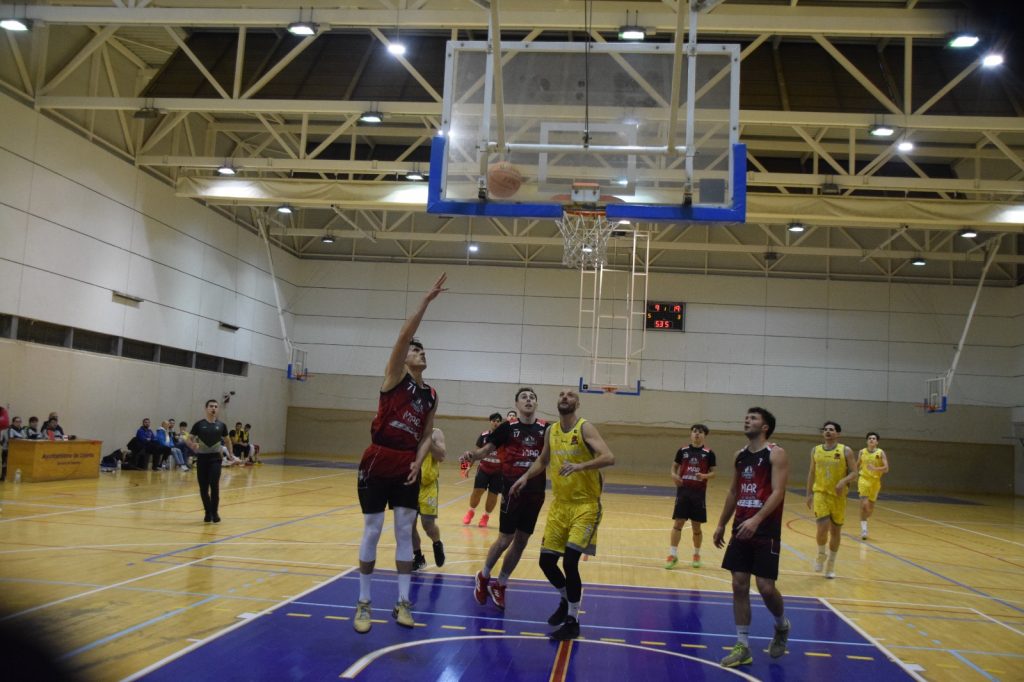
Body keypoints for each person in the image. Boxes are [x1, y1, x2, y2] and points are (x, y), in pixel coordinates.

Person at [353, 272, 447, 635]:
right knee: (373, 530)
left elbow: (426, 434)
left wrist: (419, 461)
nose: (420, 351)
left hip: (407, 463)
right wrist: (426, 301)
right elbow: (405, 335)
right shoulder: (395, 376)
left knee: (405, 531)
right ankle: (364, 602)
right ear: (404, 357)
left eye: (422, 350)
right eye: (415, 349)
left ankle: (403, 602)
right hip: (379, 458)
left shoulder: (431, 395)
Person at [510, 388, 615, 641]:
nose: (565, 398)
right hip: (560, 506)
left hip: (585, 506)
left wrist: (580, 466)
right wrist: (525, 477)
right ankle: (566, 599)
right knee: (546, 562)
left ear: (577, 403)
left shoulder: (584, 428)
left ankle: (572, 620)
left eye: (570, 395)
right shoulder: (551, 431)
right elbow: (543, 460)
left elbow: (609, 457)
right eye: (561, 395)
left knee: (569, 562)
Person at [713, 407, 790, 668]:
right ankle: (742, 646)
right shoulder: (740, 456)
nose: (747, 420)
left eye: (754, 418)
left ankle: (781, 625)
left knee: (766, 588)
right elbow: (734, 492)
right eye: (746, 417)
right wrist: (722, 523)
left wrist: (756, 520)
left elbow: (778, 492)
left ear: (765, 427)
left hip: (766, 528)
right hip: (740, 527)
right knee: (739, 584)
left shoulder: (776, 453)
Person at [463, 389, 548, 610]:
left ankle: (500, 584)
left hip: (535, 492)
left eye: (532, 397)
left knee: (521, 541)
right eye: (524, 397)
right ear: (516, 404)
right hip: (512, 491)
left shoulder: (546, 429)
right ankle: (483, 576)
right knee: (504, 539)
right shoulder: (507, 428)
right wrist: (473, 455)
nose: (528, 400)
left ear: (536, 404)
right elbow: (486, 450)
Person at [805, 421, 858, 578]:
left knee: (835, 531)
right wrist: (808, 493)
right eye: (826, 429)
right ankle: (821, 555)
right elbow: (811, 472)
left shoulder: (845, 451)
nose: (828, 431)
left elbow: (855, 473)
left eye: (831, 429)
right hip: (820, 493)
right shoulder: (816, 450)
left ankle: (831, 565)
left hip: (838, 497)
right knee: (822, 528)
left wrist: (843, 481)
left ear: (838, 433)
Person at [666, 424, 716, 569]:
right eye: (694, 431)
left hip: (698, 494)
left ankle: (696, 554)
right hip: (683, 493)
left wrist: (704, 475)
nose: (697, 434)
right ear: (691, 434)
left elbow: (713, 473)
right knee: (678, 524)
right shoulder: (683, 451)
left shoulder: (709, 453)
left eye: (700, 432)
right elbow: (674, 466)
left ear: (704, 435)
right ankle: (672, 555)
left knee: (696, 527)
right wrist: (673, 475)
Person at [189, 399, 232, 523]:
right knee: (203, 488)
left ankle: (215, 512)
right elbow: (189, 438)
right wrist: (192, 445)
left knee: (214, 485)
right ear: (206, 408)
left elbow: (227, 440)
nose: (213, 408)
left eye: (216, 406)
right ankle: (208, 512)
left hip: (215, 459)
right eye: (211, 406)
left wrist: (231, 454)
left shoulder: (221, 425)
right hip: (202, 459)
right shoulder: (199, 424)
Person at [412, 428, 446, 570]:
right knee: (408, 525)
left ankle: (437, 543)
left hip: (428, 486)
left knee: (428, 525)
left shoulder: (435, 433)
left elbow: (441, 456)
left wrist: (427, 441)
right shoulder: (408, 430)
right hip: (410, 484)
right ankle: (418, 557)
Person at [462, 412, 503, 525]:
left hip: (498, 472)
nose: (496, 423)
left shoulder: (504, 437)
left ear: (501, 423)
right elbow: (475, 453)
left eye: (498, 421)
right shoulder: (484, 435)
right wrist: (467, 467)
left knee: (493, 495)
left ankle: (486, 516)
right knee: (477, 491)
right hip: (484, 469)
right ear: (490, 422)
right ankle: (471, 512)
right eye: (494, 421)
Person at [857, 432, 889, 540]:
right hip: (864, 479)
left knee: (869, 510)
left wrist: (875, 469)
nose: (871, 440)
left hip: (875, 482)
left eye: (874, 438)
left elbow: (886, 468)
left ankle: (864, 518)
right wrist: (852, 474)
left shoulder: (880, 453)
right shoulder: (862, 452)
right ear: (867, 441)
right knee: (864, 505)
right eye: (869, 438)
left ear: (877, 442)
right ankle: (864, 530)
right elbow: (857, 464)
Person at [2, 415, 27, 481]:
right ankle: (4, 476)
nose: (18, 423)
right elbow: (11, 440)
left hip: (19, 450)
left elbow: (25, 438)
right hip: (8, 450)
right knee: (6, 464)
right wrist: (19, 438)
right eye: (16, 421)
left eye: (20, 421)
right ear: (13, 422)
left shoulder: (21, 429)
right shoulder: (10, 429)